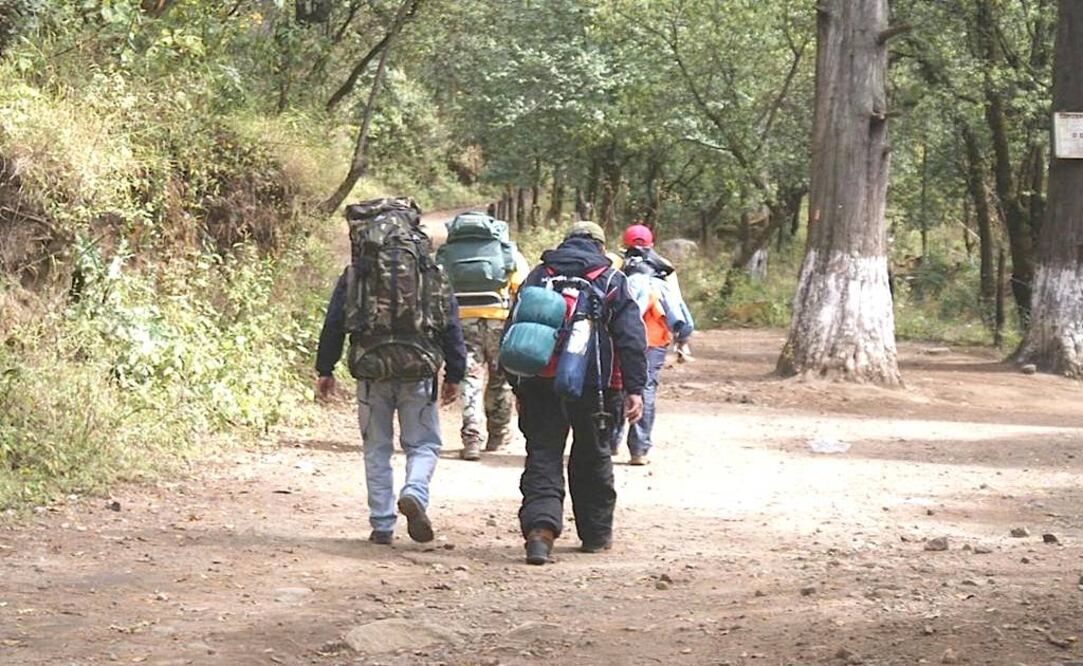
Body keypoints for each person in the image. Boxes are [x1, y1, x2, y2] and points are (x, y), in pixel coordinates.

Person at [315, 198, 466, 546]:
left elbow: (335, 322)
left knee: (376, 448)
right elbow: (450, 325)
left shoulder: (357, 271)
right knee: (424, 444)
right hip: (419, 370)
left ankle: (382, 524)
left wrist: (325, 368)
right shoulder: (431, 270)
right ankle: (413, 492)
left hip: (372, 370)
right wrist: (455, 375)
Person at [509, 220, 647, 565]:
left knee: (543, 453)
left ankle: (540, 533)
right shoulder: (612, 279)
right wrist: (635, 388)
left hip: (540, 382)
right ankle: (596, 535)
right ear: (600, 247)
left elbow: (514, 328)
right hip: (596, 386)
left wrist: (517, 384)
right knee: (592, 456)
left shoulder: (541, 274)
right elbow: (631, 338)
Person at [436, 212, 531, 460]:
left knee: (471, 376)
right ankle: (497, 434)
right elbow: (522, 287)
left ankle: (472, 437)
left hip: (462, 321)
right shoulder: (507, 252)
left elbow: (437, 285)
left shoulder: (449, 253)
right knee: (500, 377)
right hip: (498, 320)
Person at [615, 223, 694, 466]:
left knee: (616, 385)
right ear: (651, 244)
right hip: (653, 338)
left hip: (621, 335)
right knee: (645, 388)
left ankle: (608, 443)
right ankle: (639, 450)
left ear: (624, 245)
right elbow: (678, 307)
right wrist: (683, 340)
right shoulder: (664, 270)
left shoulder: (617, 267)